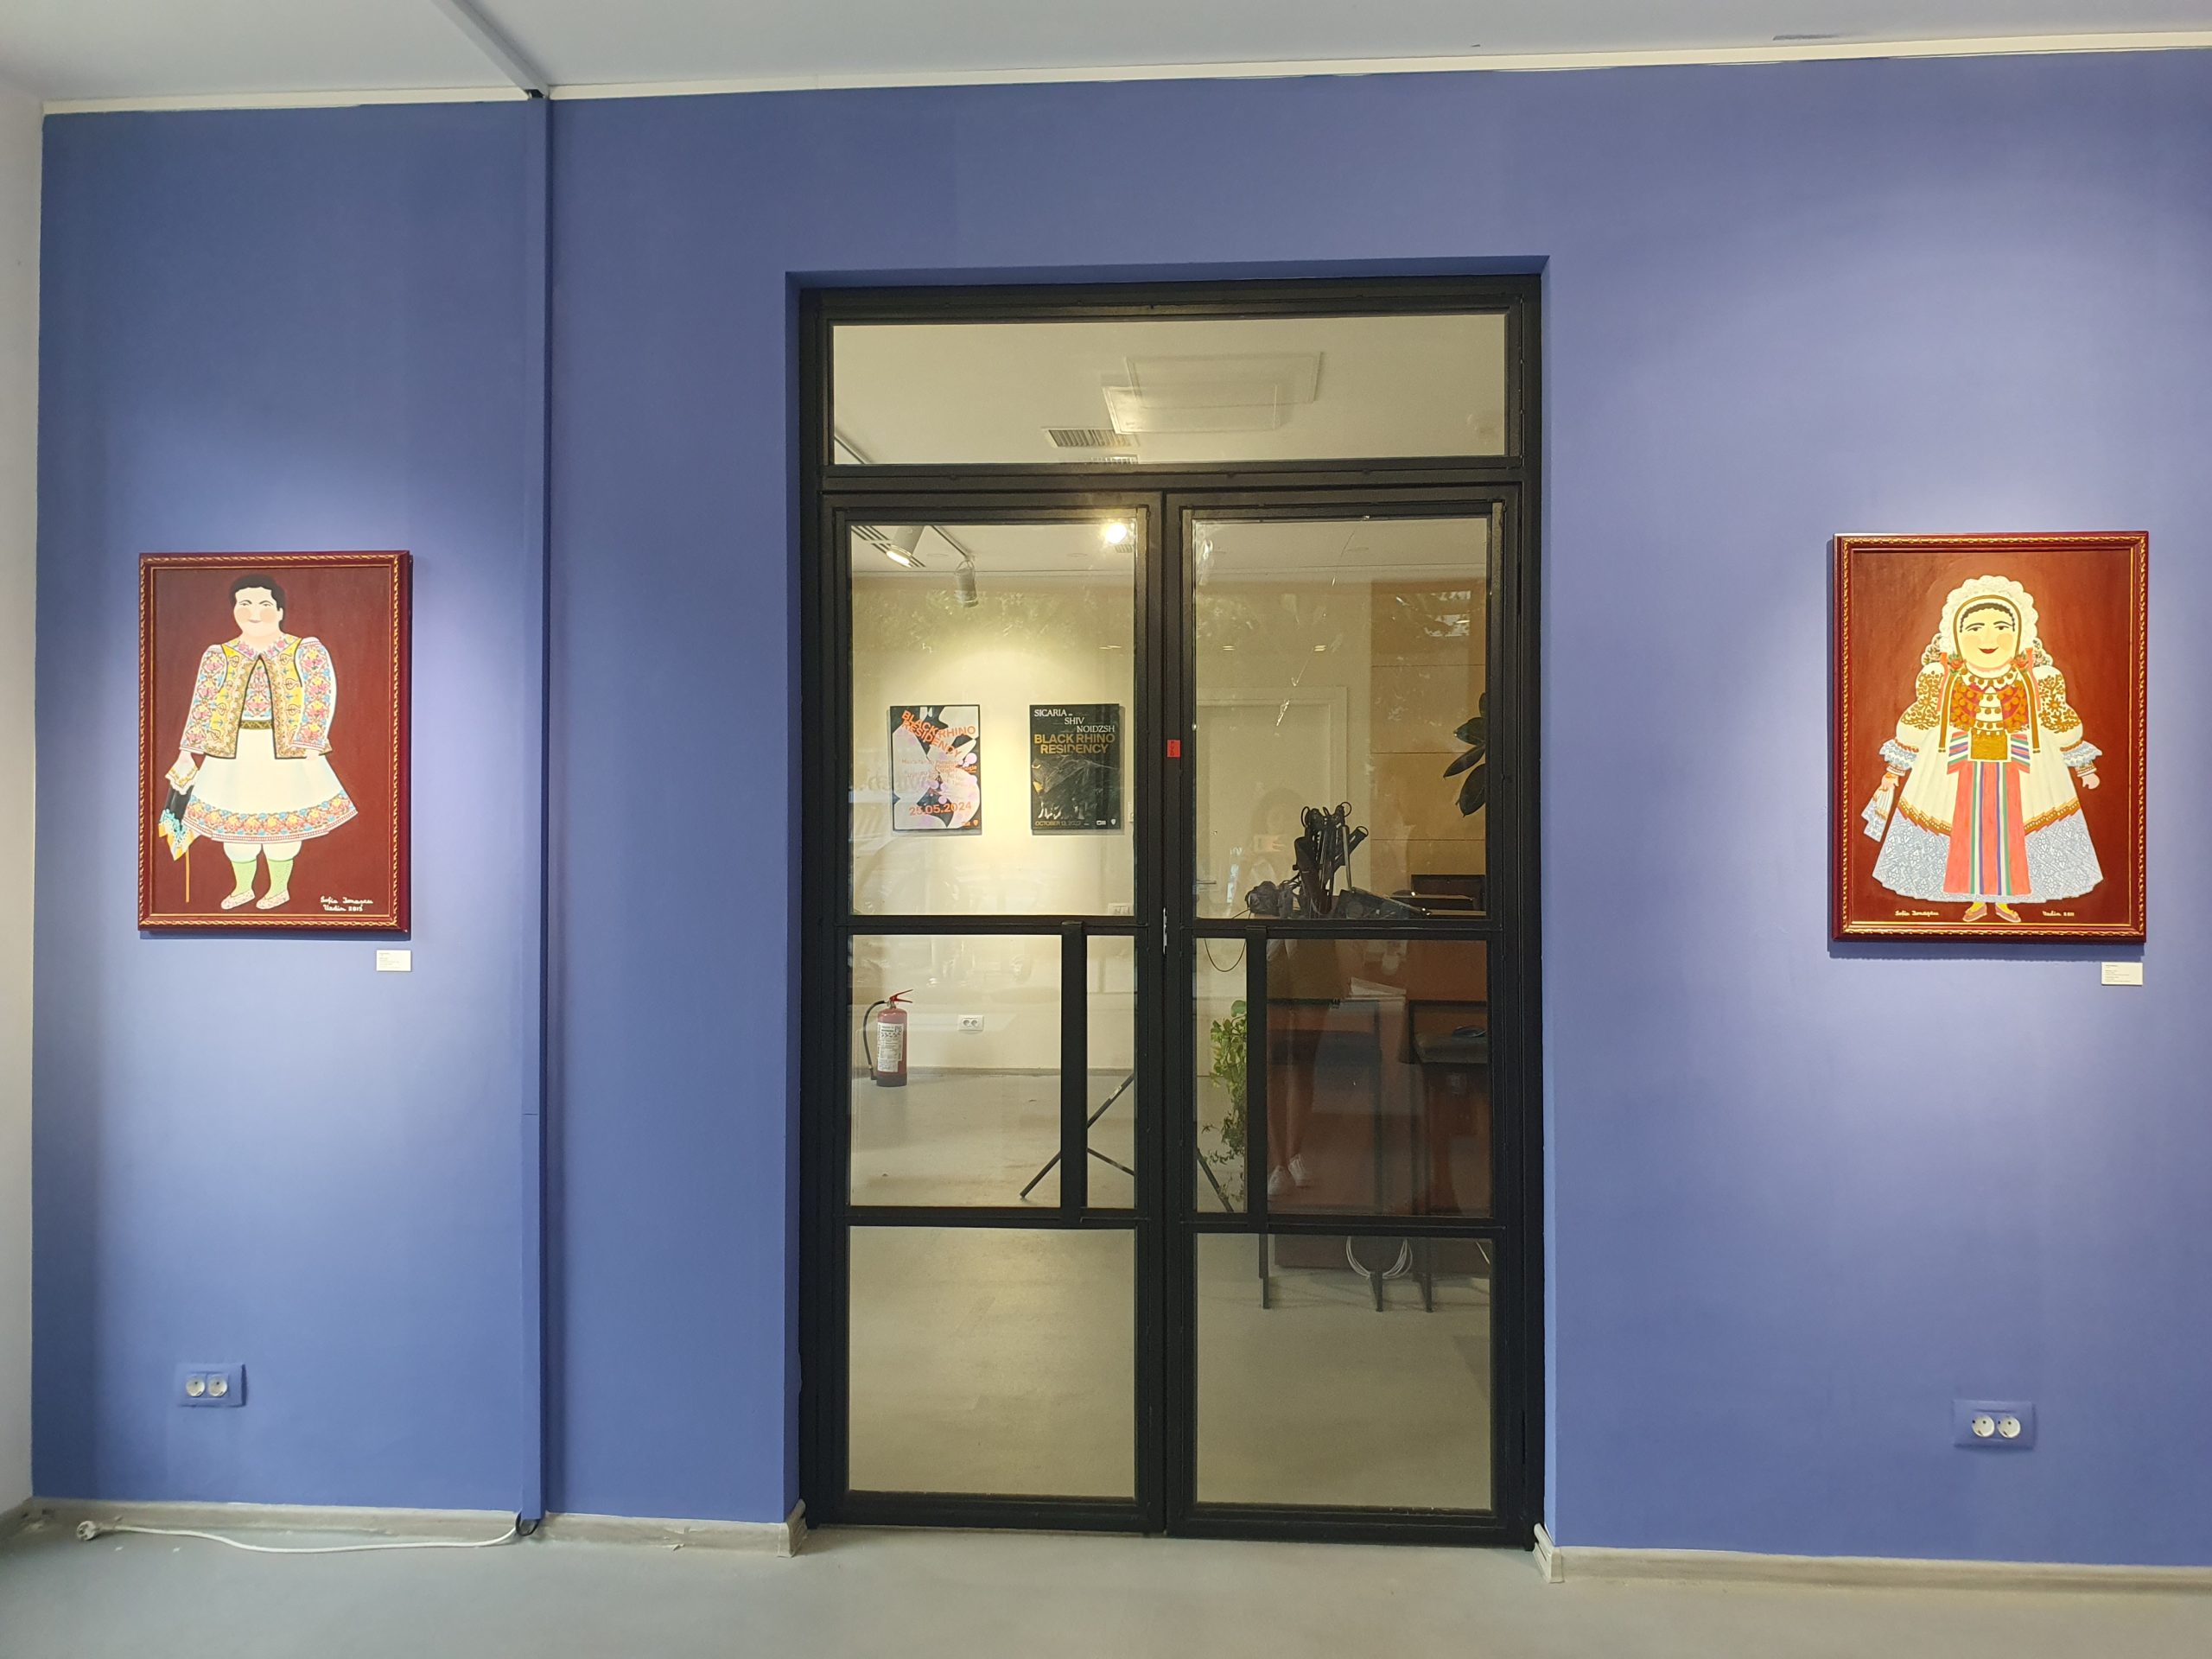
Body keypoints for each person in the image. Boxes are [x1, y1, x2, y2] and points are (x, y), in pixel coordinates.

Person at [1864, 575, 2101, 922]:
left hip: (2023, 771)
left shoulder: (2039, 679)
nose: (1988, 639)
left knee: (2009, 833)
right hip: (1955, 770)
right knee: (1967, 832)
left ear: (2020, 635)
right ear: (1955, 636)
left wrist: (2084, 766)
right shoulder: (1941, 677)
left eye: (2002, 627)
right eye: (1974, 629)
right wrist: (1894, 771)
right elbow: (1920, 721)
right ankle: (1975, 899)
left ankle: (2003, 900)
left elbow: (2059, 720)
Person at [167, 573, 356, 911]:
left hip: (287, 753)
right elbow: (203, 702)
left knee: (283, 824)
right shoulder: (218, 655)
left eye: (264, 604)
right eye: (245, 604)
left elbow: (319, 695)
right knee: (234, 826)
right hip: (230, 754)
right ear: (234, 609)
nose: (254, 613)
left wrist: (311, 744)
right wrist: (187, 752)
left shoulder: (305, 650)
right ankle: (243, 888)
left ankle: (278, 888)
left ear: (280, 611)